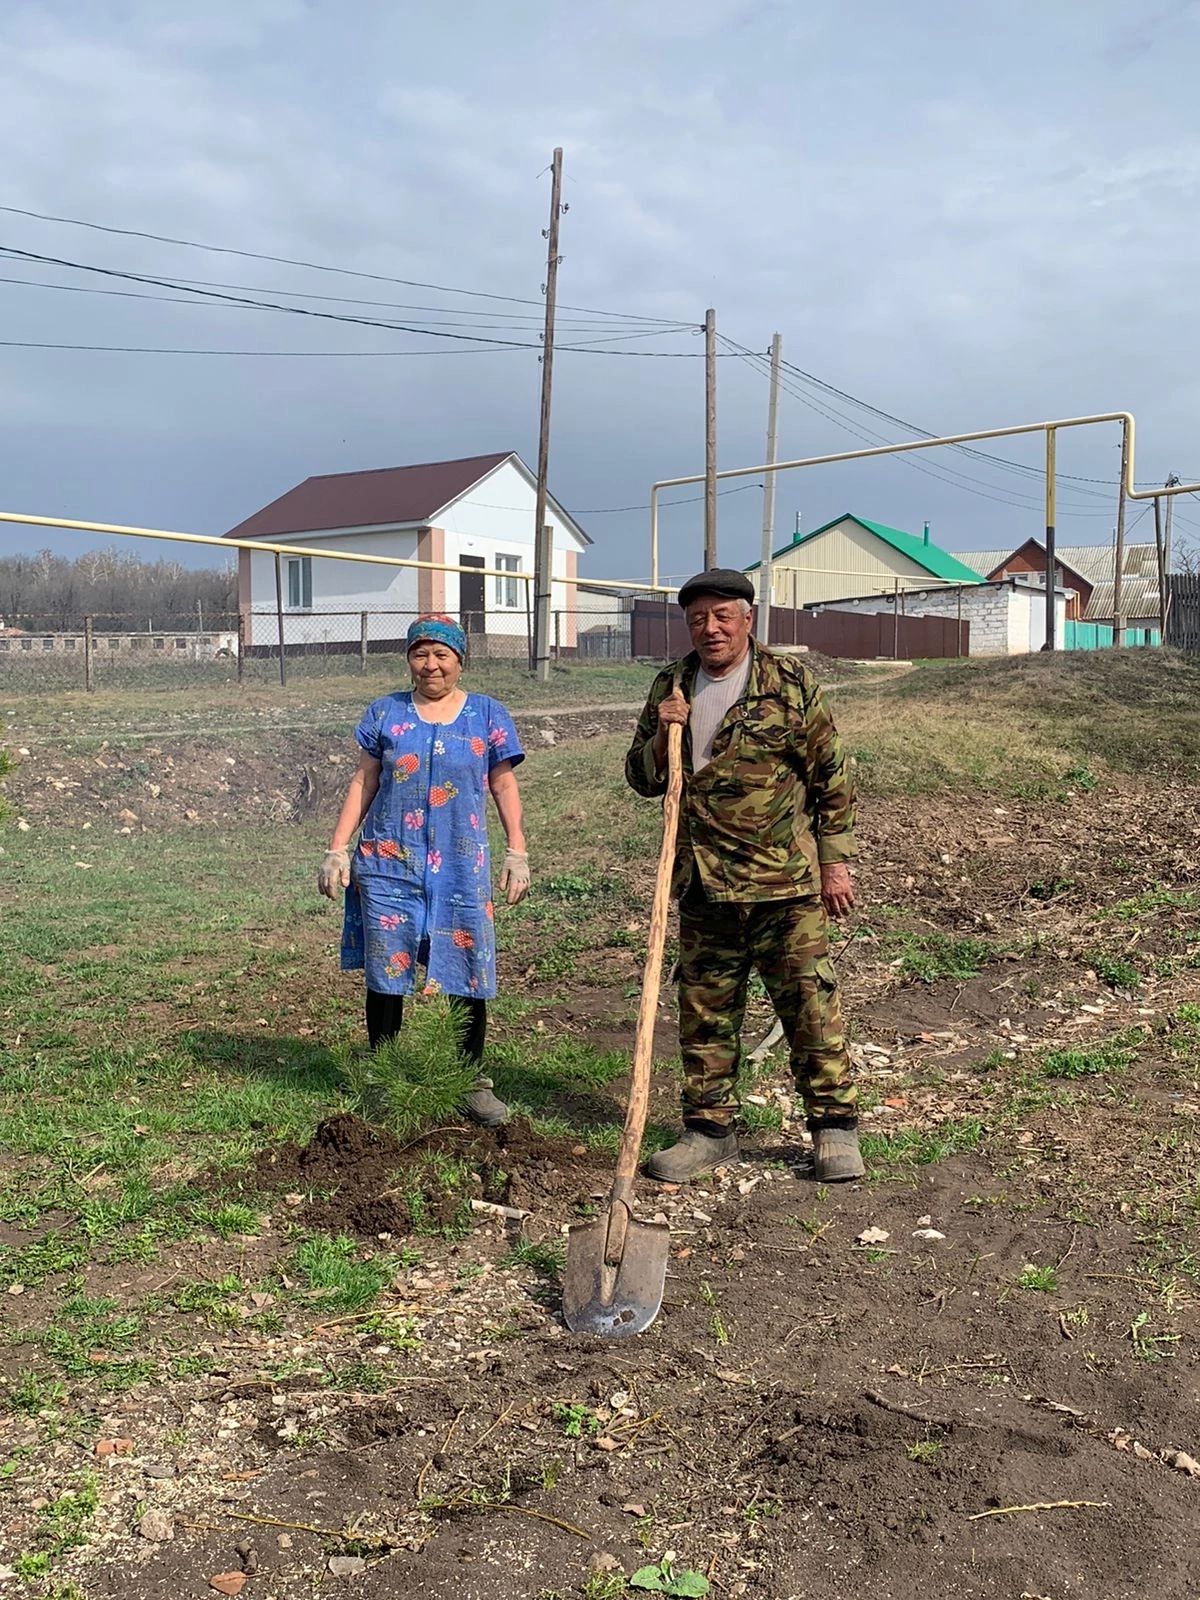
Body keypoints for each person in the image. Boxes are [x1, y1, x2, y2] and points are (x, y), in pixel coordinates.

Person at [625, 569, 864, 1184]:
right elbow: (643, 777)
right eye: (699, 618)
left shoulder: (789, 684)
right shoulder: (670, 685)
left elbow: (830, 775)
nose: (710, 629)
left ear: (748, 619)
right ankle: (710, 1131)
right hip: (703, 882)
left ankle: (833, 1128)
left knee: (809, 1004)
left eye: (722, 616)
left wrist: (835, 862)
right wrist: (662, 733)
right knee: (706, 1011)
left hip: (782, 881)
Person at [317, 614, 530, 1127]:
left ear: (461, 660)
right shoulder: (386, 713)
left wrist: (516, 851)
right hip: (391, 862)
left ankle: (471, 1081)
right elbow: (364, 782)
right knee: (386, 972)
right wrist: (338, 848)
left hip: (462, 866)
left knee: (468, 970)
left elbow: (502, 786)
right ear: (409, 659)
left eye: (442, 655)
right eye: (420, 653)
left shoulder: (487, 715)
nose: (430, 665)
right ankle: (384, 1077)